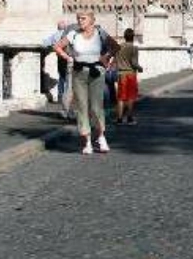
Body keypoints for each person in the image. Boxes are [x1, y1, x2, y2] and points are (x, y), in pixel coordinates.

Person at [53, 11, 120, 155]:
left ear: (92, 20)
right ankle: (87, 142)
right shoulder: (74, 34)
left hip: (97, 72)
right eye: (78, 18)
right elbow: (57, 46)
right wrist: (68, 57)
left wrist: (106, 57)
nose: (80, 21)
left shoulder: (100, 33)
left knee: (96, 107)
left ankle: (101, 137)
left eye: (83, 18)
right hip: (78, 72)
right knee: (82, 108)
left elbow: (115, 47)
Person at [43, 20, 75, 119]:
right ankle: (69, 108)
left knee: (62, 78)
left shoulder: (55, 35)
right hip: (70, 59)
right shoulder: (70, 34)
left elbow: (45, 43)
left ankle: (61, 99)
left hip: (61, 59)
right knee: (70, 84)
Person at [114, 28, 143, 125]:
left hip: (121, 74)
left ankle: (119, 119)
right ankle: (129, 118)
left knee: (121, 97)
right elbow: (134, 63)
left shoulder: (119, 47)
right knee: (130, 96)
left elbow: (115, 60)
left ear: (125, 36)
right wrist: (140, 68)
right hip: (130, 74)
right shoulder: (134, 48)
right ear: (133, 37)